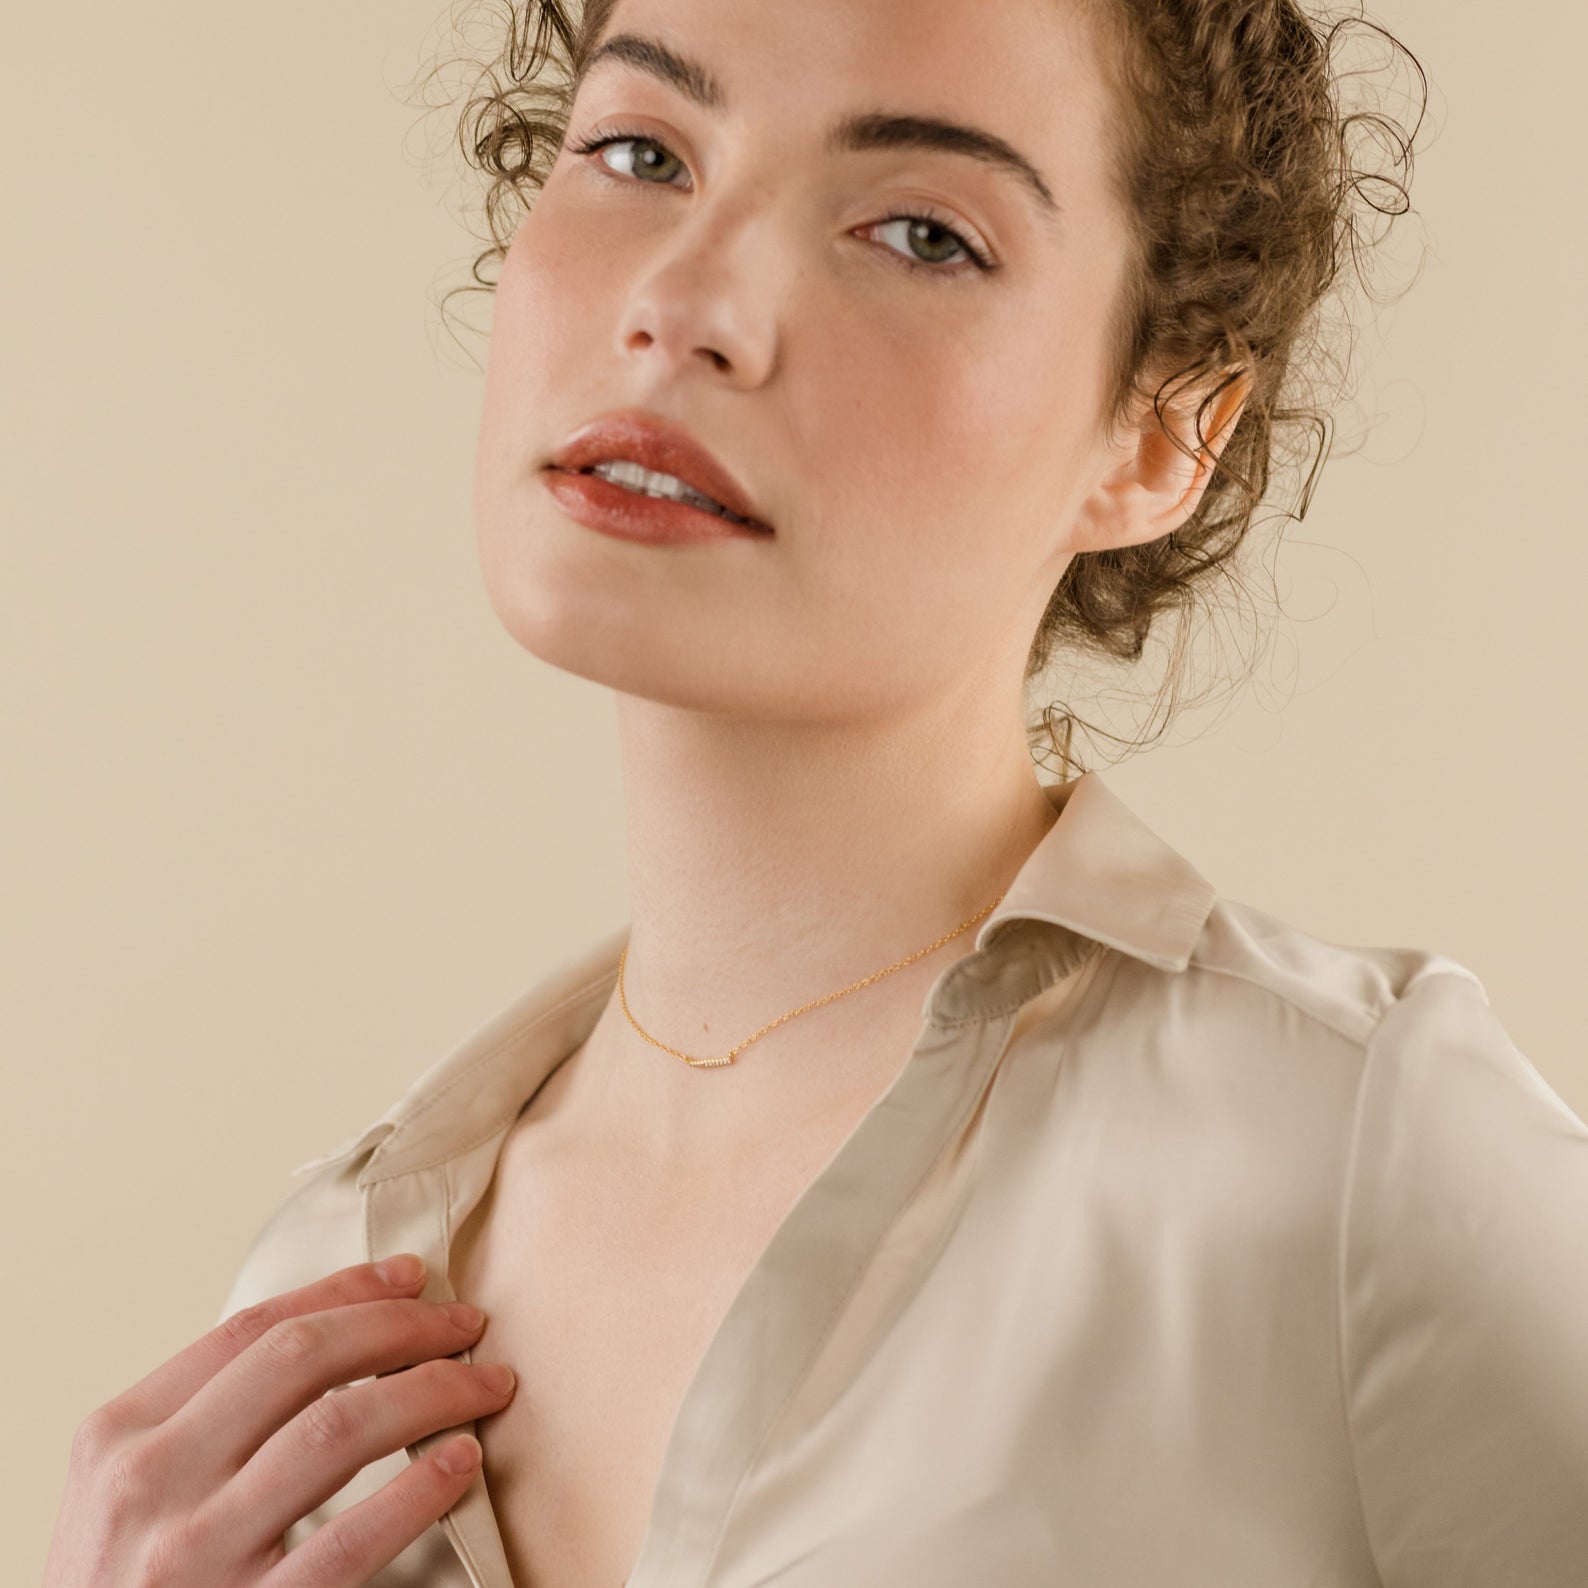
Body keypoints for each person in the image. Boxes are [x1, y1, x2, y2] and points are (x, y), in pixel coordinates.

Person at [42, 0, 1588, 1584]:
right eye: (641, 151)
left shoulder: (1353, 1167)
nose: (686, 301)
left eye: (921, 233)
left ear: (1167, 430)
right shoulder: (307, 1311)